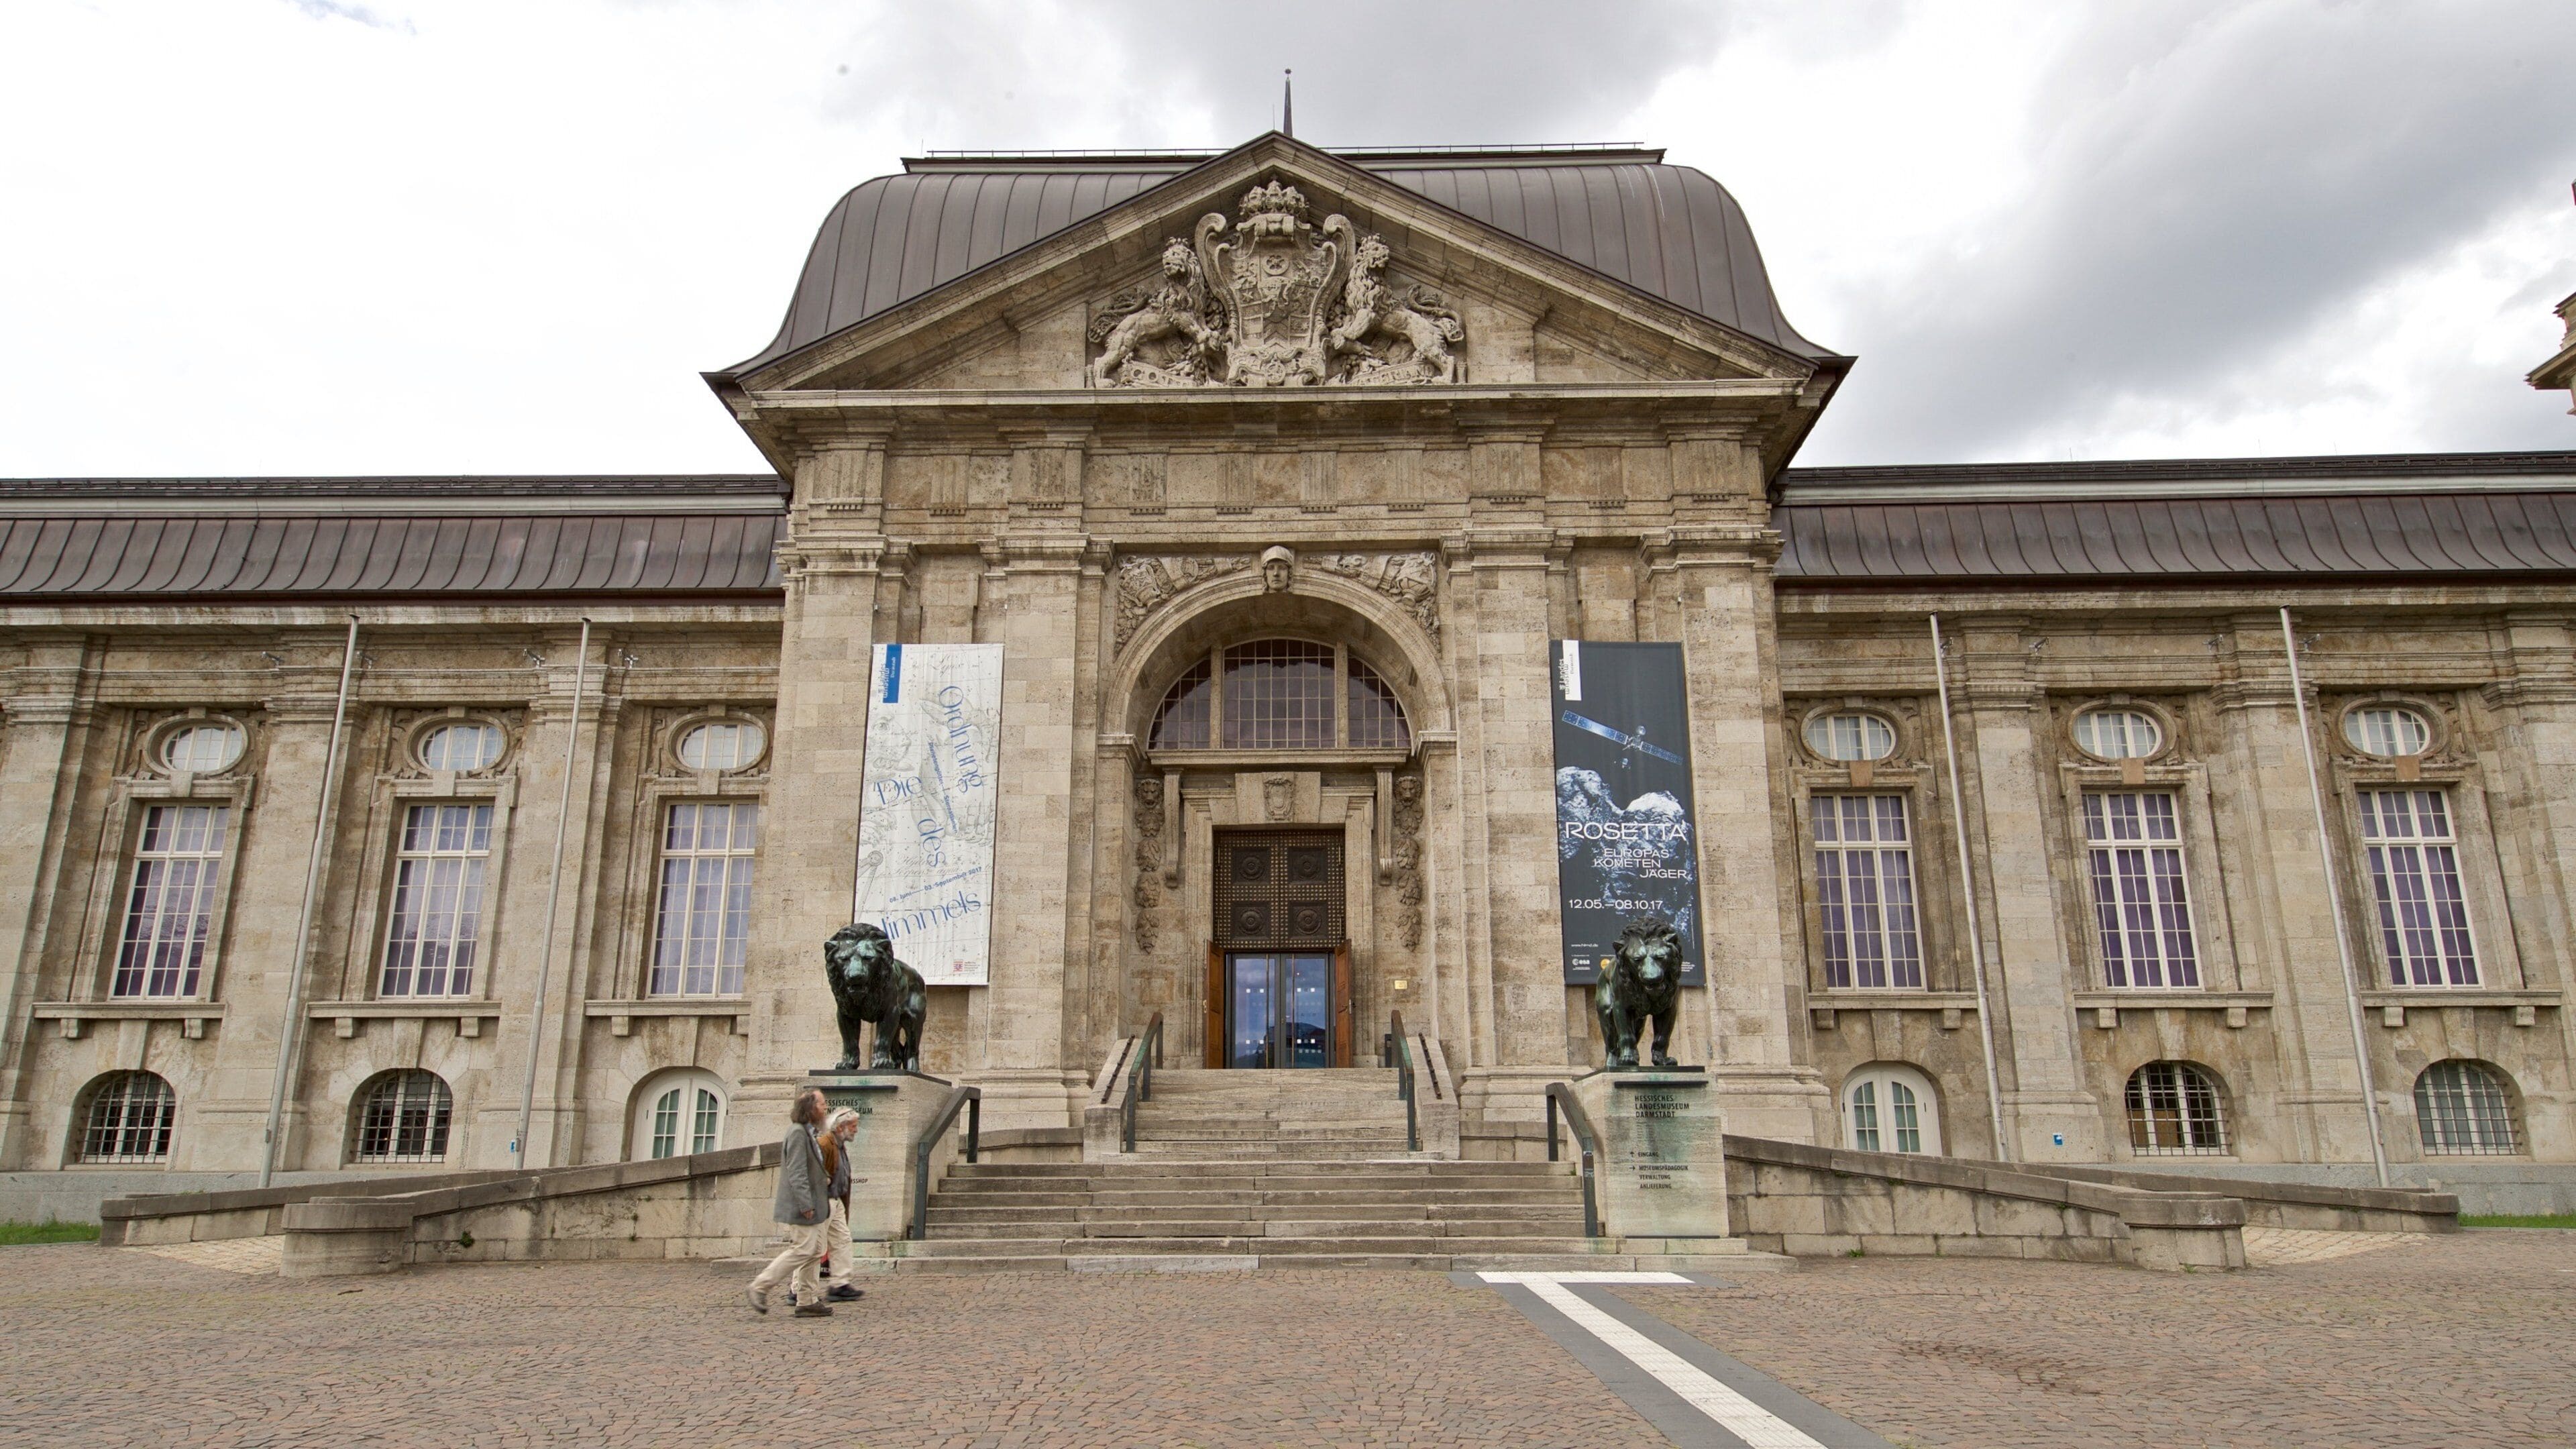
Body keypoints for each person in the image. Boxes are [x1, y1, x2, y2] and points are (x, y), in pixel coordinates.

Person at [747, 1087, 834, 1318]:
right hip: (803, 1205)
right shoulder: (797, 1133)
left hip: (815, 1203)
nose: (825, 1109)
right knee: (803, 1249)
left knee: (815, 1250)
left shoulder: (808, 1133)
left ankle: (806, 1299)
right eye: (823, 1105)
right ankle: (760, 1286)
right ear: (811, 1108)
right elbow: (796, 1172)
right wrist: (806, 1204)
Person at [791, 1108, 865, 1306]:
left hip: (835, 1201)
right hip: (823, 1201)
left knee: (842, 1240)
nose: (856, 1130)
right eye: (853, 1126)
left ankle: (840, 1284)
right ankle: (797, 1288)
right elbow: (809, 1171)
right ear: (841, 1127)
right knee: (813, 1246)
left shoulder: (839, 1145)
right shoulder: (825, 1143)